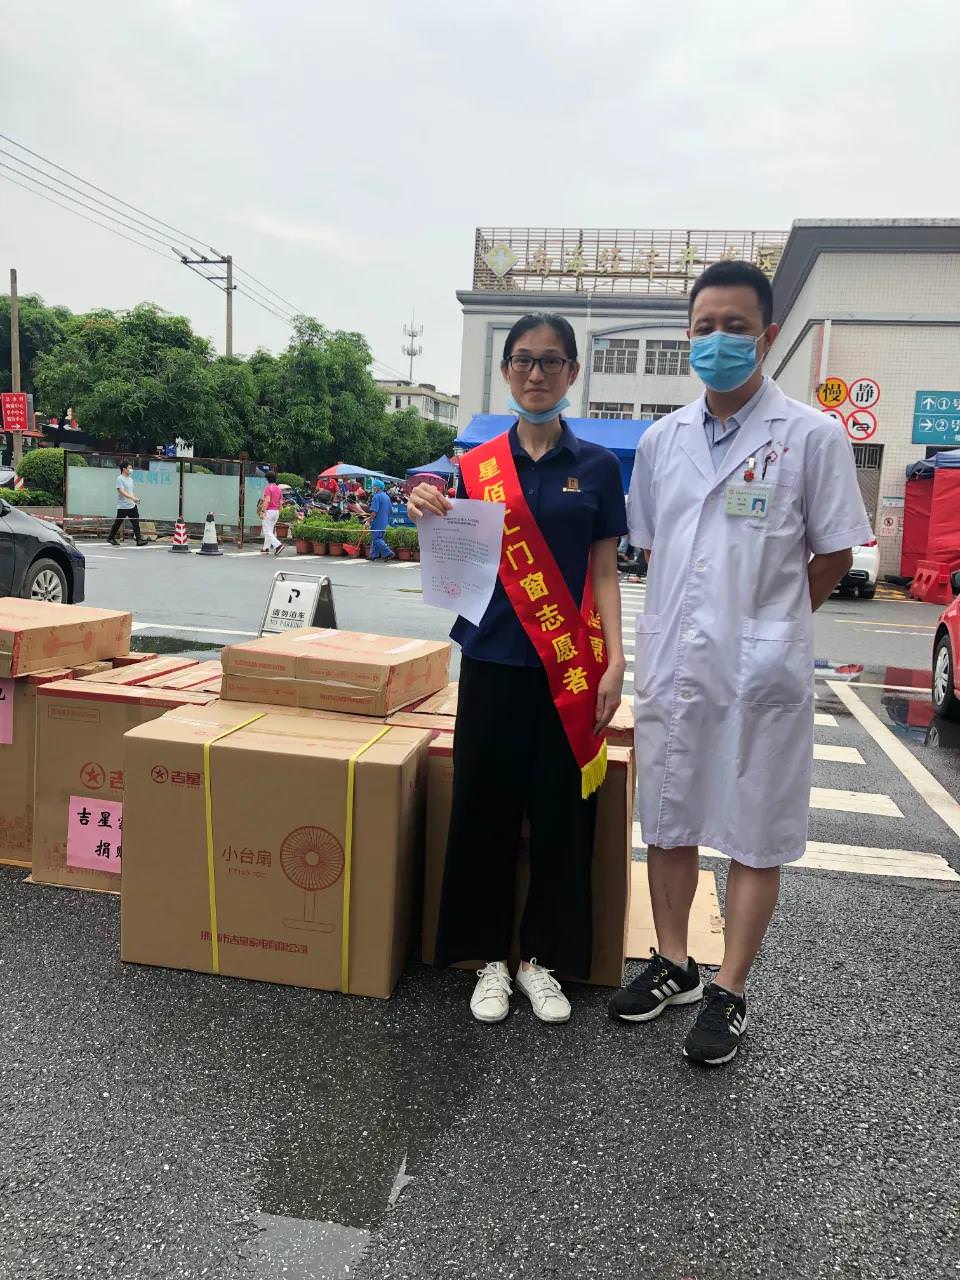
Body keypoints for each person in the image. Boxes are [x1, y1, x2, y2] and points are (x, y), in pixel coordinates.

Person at [608, 261, 872, 1066]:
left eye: (735, 326)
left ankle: (729, 987)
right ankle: (674, 963)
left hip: (761, 672)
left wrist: (774, 626)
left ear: (767, 335)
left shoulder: (812, 436)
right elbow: (654, 548)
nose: (717, 340)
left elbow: (833, 553)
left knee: (756, 833)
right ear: (687, 336)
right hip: (677, 664)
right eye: (703, 327)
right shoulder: (662, 440)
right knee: (670, 817)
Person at [407, 313, 627, 1025]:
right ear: (505, 371)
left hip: (570, 669)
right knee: (484, 811)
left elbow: (604, 572)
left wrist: (617, 658)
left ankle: (542, 960)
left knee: (564, 816)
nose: (537, 373)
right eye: (524, 360)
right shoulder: (474, 466)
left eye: (552, 361)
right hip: (492, 659)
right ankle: (487, 960)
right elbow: (444, 538)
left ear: (572, 373)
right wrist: (423, 505)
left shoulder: (598, 468)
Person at [107, 462, 149, 546]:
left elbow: (131, 492)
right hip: (123, 506)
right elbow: (122, 492)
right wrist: (132, 498)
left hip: (132, 505)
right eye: (129, 468)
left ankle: (139, 540)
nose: (131, 470)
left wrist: (135, 499)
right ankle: (110, 538)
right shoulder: (120, 479)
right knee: (118, 522)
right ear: (124, 469)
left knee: (136, 522)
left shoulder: (130, 479)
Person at [367, 478, 395, 560]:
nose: (373, 488)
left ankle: (388, 553)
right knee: (379, 538)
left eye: (374, 486)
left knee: (376, 538)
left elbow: (374, 512)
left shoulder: (376, 497)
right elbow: (390, 510)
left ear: (378, 487)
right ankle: (373, 555)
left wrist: (369, 520)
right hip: (384, 521)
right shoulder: (387, 497)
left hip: (377, 521)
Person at [259, 470, 285, 556]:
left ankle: (278, 545)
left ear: (267, 479)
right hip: (276, 511)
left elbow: (267, 500)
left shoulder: (268, 488)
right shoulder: (278, 488)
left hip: (269, 511)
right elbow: (281, 502)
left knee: (267, 531)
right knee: (270, 530)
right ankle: (265, 547)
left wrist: (263, 511)